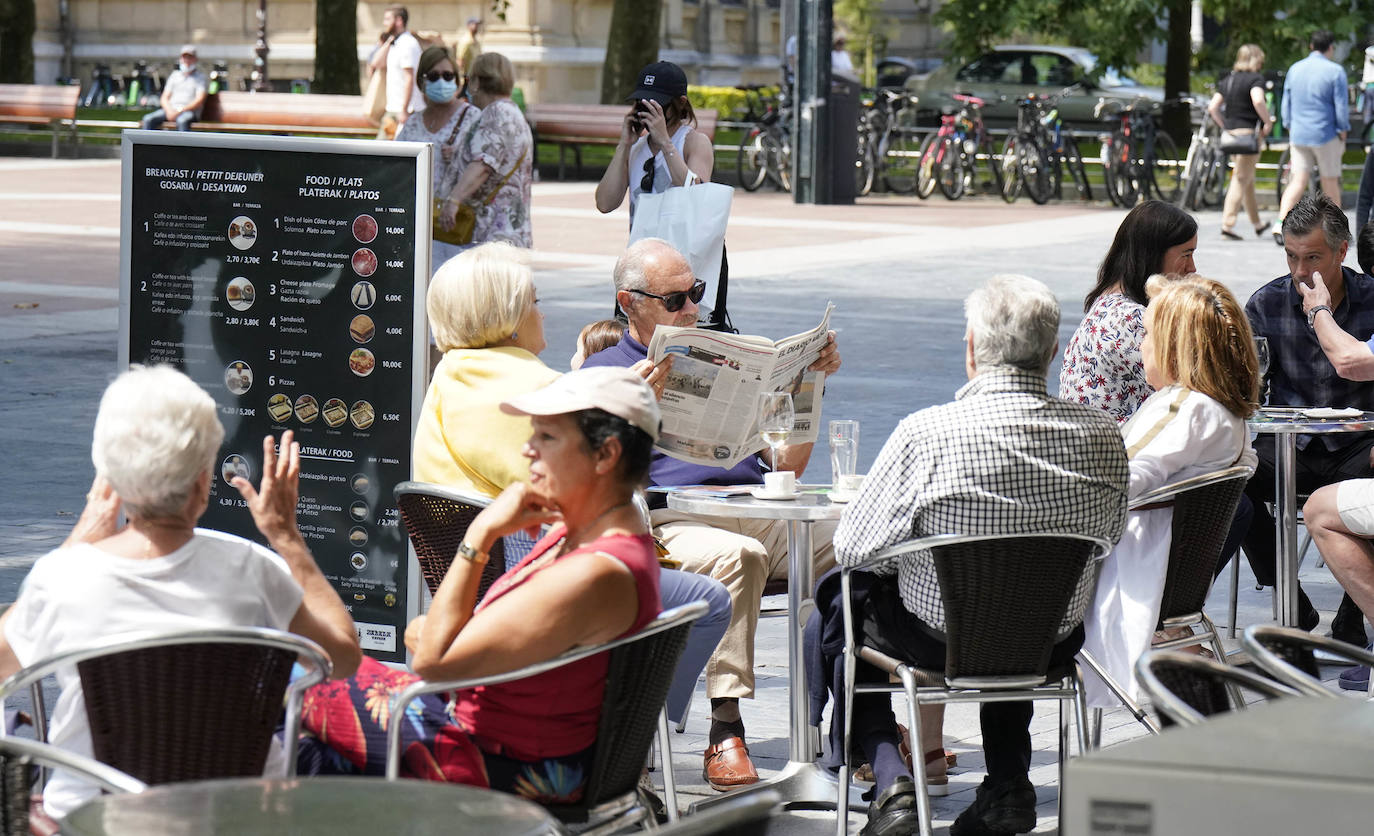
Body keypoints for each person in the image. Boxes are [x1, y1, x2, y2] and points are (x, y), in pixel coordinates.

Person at [808, 274, 1127, 836]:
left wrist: (909, 558)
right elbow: (1114, 529)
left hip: (936, 638)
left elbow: (853, 545)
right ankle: (1008, 780)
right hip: (1048, 637)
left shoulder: (926, 433)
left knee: (845, 594)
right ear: (1052, 352)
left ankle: (889, 780)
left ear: (972, 349)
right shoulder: (1103, 433)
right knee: (1016, 601)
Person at [0, 366, 362, 819]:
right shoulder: (255, 571)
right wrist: (286, 536)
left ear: (108, 474)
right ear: (201, 482)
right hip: (237, 817)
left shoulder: (63, 578)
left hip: (96, 822)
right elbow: (344, 658)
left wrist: (75, 542)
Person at [301, 368, 669, 799]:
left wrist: (482, 532)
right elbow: (445, 644)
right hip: (484, 737)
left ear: (605, 455)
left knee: (286, 679)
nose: (527, 450)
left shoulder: (594, 569)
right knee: (296, 717)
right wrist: (441, 639)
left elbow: (432, 658)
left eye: (547, 438)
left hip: (490, 761)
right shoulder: (579, 537)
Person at [409, 242, 729, 728]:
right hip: (541, 576)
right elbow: (602, 506)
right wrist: (628, 413)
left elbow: (428, 649)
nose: (542, 313)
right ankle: (636, 729)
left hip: (481, 585)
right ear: (509, 315)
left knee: (419, 633)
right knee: (711, 601)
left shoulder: (447, 378)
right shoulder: (534, 390)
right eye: (534, 301)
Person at [582, 237, 844, 790]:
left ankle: (864, 722)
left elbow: (786, 467)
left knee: (862, 542)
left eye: (695, 293)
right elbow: (589, 480)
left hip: (757, 507)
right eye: (675, 300)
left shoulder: (724, 354)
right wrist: (631, 414)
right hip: (674, 523)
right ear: (630, 303)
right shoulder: (605, 372)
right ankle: (725, 727)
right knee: (739, 558)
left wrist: (810, 384)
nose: (692, 309)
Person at [1081, 275, 1260, 708]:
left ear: (1174, 345)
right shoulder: (1215, 410)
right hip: (1166, 580)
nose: (1141, 345)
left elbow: (1118, 478)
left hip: (1121, 575)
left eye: (1147, 335)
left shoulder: (1185, 406)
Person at [1243, 193, 1374, 640]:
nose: (1300, 271)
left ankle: (1354, 612)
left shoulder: (1372, 299)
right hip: (1288, 446)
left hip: (1357, 446)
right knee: (1227, 480)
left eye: (1312, 257)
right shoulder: (1266, 303)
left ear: (1341, 252)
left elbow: (1354, 363)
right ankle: (1289, 600)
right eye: (1291, 256)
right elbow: (1248, 387)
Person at [594, 61, 730, 330]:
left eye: (656, 104)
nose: (647, 110)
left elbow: (697, 196)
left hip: (687, 264)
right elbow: (605, 203)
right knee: (636, 338)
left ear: (679, 104)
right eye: (641, 103)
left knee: (687, 341)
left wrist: (666, 144)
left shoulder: (694, 142)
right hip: (643, 265)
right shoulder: (636, 149)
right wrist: (624, 144)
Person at [1058, 200, 1198, 423]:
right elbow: (1188, 387)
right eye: (1186, 254)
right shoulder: (1129, 319)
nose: (1192, 268)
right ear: (1153, 253)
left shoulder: (1108, 303)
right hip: (1117, 451)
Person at [397, 45, 481, 272]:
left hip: (455, 225)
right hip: (417, 222)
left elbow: (485, 165)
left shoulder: (471, 117)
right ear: (422, 81)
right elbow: (395, 166)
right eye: (434, 76)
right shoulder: (413, 123)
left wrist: (459, 156)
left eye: (448, 75)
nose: (441, 81)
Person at [440, 52, 534, 248]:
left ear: (476, 82)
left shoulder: (495, 113)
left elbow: (484, 164)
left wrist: (453, 200)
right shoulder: (511, 112)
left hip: (491, 233)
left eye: (469, 79)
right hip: (510, 230)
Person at [1275, 30, 1349, 242]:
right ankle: (1337, 230)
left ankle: (1280, 223)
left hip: (1299, 133)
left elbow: (1286, 103)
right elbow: (1340, 106)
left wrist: (1289, 125)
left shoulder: (1295, 69)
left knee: (1297, 181)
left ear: (1311, 46)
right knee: (1330, 182)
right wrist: (1343, 129)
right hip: (1325, 132)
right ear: (1331, 48)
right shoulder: (1335, 71)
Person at [1209, 45, 1276, 241]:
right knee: (1240, 178)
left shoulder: (1228, 79)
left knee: (1246, 178)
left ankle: (1257, 224)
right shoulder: (1256, 79)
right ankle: (1227, 225)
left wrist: (1225, 126)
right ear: (1256, 60)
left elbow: (1213, 107)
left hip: (1231, 136)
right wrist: (1267, 121)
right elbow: (1258, 101)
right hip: (1249, 136)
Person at [371, 5, 423, 140]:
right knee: (382, 153)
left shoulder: (408, 44)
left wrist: (404, 110)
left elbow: (409, 78)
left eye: (388, 19)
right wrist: (389, 40)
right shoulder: (396, 42)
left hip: (406, 110)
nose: (384, 23)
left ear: (399, 21)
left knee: (381, 152)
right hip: (394, 108)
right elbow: (376, 63)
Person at [140, 44, 207, 132]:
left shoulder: (200, 78)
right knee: (148, 119)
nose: (186, 60)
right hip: (170, 110)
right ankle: (147, 145)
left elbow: (199, 100)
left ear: (195, 59)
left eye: (189, 57)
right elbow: (164, 98)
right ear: (180, 59)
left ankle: (182, 146)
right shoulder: (174, 75)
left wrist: (179, 111)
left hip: (188, 112)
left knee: (182, 120)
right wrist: (169, 110)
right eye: (184, 57)